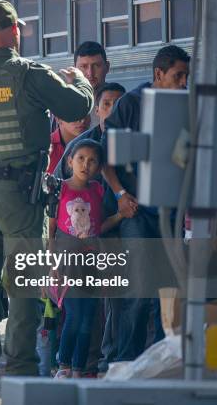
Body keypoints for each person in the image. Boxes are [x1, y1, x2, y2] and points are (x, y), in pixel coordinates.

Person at [0, 0, 94, 391]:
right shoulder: (30, 74)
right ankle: (22, 371)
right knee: (23, 283)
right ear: (17, 31)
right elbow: (77, 107)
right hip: (21, 197)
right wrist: (80, 79)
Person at [100, 45, 190, 364]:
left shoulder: (186, 106)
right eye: (178, 76)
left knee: (168, 294)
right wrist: (121, 195)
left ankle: (166, 364)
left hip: (172, 213)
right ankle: (126, 363)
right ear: (158, 74)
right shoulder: (132, 105)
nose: (183, 83)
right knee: (138, 293)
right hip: (136, 212)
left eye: (186, 76)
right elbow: (106, 158)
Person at [48, 139, 122, 378]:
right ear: (69, 161)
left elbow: (98, 226)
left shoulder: (98, 191)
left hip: (91, 265)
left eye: (92, 161)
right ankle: (64, 365)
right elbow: (49, 231)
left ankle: (79, 368)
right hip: (67, 264)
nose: (85, 165)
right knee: (74, 315)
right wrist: (52, 266)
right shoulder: (59, 189)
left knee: (88, 317)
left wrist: (120, 216)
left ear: (99, 167)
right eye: (80, 158)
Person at [73, 41, 111, 127]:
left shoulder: (120, 102)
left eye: (96, 66)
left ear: (107, 67)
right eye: (84, 66)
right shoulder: (62, 103)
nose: (90, 73)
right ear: (75, 70)